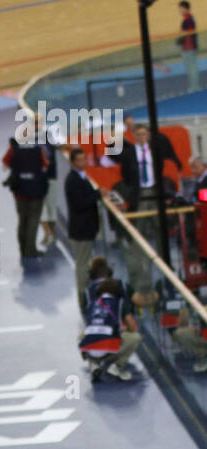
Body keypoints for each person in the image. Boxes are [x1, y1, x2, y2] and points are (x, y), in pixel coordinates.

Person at [81, 271, 142, 381]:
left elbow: (91, 325)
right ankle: (116, 365)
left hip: (88, 351)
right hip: (107, 352)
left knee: (84, 334)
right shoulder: (119, 303)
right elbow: (133, 327)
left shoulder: (92, 303)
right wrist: (122, 330)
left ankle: (94, 365)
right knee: (135, 337)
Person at [65, 148, 107, 303]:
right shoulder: (72, 180)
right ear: (73, 162)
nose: (83, 163)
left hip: (86, 229)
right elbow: (80, 203)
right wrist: (97, 194)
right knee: (82, 264)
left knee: (85, 262)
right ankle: (83, 296)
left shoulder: (81, 177)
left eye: (84, 159)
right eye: (79, 160)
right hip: (81, 231)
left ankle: (86, 293)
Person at [2, 134, 49, 259]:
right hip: (36, 192)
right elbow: (45, 168)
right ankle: (30, 250)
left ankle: (22, 250)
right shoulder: (38, 149)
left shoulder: (13, 149)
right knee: (33, 221)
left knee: (22, 220)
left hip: (19, 192)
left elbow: (4, 167)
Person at [178, 2, 200, 93]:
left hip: (189, 47)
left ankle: (195, 87)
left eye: (181, 8)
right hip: (188, 46)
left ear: (186, 8)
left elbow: (189, 33)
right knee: (190, 67)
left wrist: (182, 38)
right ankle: (193, 86)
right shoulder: (188, 18)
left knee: (192, 67)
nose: (180, 10)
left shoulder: (188, 19)